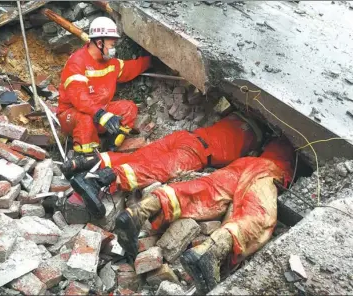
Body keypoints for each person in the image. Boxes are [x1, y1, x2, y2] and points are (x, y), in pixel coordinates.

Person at [113, 137, 294, 294]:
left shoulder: (271, 143)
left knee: (201, 190)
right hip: (269, 171)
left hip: (246, 163)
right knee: (258, 216)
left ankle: (138, 212)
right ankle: (210, 252)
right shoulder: (293, 154)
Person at [83, 111, 264, 194]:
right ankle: (106, 178)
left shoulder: (235, 115)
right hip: (197, 152)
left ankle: (83, 163)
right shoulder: (255, 140)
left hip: (186, 137)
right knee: (158, 169)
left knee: (139, 157)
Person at [57, 16, 151, 154]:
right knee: (85, 119)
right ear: (100, 43)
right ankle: (86, 158)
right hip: (72, 115)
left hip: (100, 113)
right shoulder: (77, 62)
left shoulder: (111, 63)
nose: (113, 49)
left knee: (128, 108)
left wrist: (152, 61)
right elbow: (79, 97)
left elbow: (131, 68)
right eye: (111, 45)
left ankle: (110, 148)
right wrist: (101, 114)